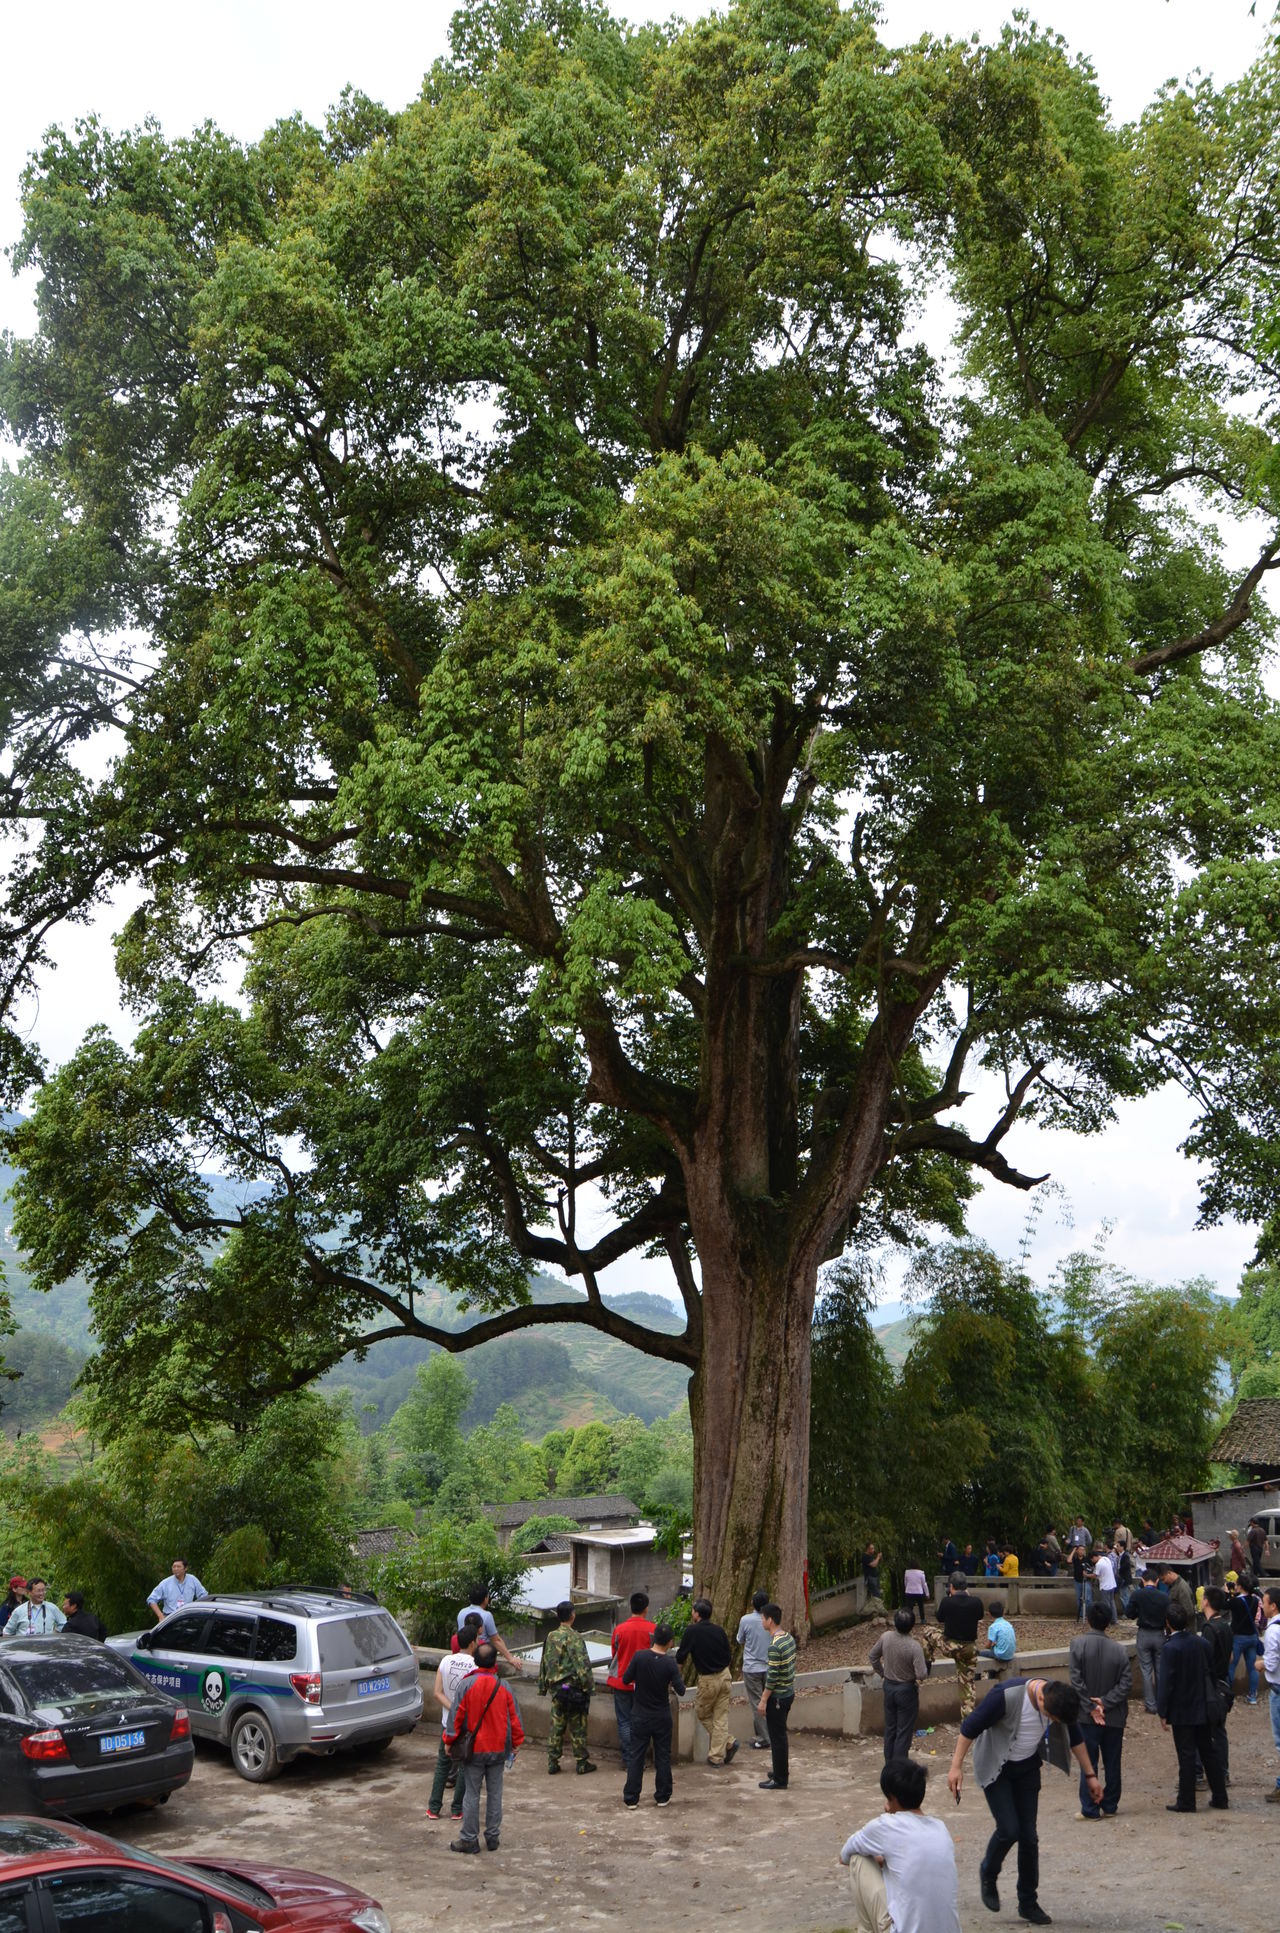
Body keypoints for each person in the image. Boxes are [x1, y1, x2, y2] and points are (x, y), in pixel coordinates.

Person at [947, 1676, 1099, 1927]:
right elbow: (969, 1728)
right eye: (1051, 1718)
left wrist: (1091, 1776)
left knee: (1029, 1836)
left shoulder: (1058, 1697)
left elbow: (1076, 1738)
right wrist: (955, 1767)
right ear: (1040, 1699)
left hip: (1027, 1768)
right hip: (998, 1768)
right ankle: (989, 1871)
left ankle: (1028, 1902)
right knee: (1009, 1830)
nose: (1052, 1723)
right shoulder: (1005, 1696)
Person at [838, 1758, 961, 1933]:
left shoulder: (885, 1825)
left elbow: (844, 1856)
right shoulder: (941, 1828)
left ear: (892, 1798)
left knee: (859, 1859)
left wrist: (879, 1856)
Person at [444, 1640, 524, 1853]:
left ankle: (469, 1839)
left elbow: (456, 1718)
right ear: (494, 1662)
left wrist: (449, 1741)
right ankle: (492, 1837)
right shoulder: (504, 1687)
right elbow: (515, 1719)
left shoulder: (467, 1685)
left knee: (471, 1794)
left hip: (474, 1749)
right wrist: (516, 1744)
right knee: (495, 1793)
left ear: (476, 1661)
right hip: (499, 1749)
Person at [1158, 1602, 1227, 1812]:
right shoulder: (1202, 1643)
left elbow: (1166, 1683)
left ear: (1168, 1623)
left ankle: (1187, 1800)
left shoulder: (1170, 1648)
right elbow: (1212, 1673)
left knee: (1186, 1754)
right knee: (1208, 1751)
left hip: (1182, 1709)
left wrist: (1163, 1710)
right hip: (1204, 1703)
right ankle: (1220, 1796)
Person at [1069, 1602, 1130, 1819]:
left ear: (1089, 1620)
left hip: (1086, 1716)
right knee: (1113, 1761)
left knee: (1089, 1761)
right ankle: (1110, 1804)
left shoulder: (1077, 1644)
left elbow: (1076, 1681)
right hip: (1114, 1715)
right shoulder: (1120, 1650)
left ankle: (1090, 1808)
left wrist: (1093, 1706)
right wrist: (1105, 1702)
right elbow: (1126, 1683)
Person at [621, 1622, 688, 1807]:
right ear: (670, 1642)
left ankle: (631, 1797)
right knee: (663, 1756)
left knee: (636, 1756)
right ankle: (662, 1795)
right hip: (661, 1716)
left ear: (654, 1638)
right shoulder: (670, 1663)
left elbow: (626, 1679)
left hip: (639, 1714)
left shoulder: (639, 1657)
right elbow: (681, 1690)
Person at [428, 1614, 482, 1822]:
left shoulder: (445, 1661)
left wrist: (452, 1709)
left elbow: (437, 1692)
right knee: (464, 1766)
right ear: (471, 1643)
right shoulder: (476, 1666)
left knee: (442, 1764)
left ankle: (433, 1807)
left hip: (446, 1723)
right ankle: (457, 1809)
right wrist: (462, 1711)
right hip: (468, 1725)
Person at [676, 1597, 738, 1768]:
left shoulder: (692, 1631)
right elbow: (728, 1654)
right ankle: (717, 1756)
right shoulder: (719, 1630)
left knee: (702, 1713)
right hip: (725, 1675)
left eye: (693, 1610)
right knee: (721, 1717)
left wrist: (675, 1677)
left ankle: (729, 1742)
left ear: (697, 1614)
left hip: (708, 1679)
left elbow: (681, 1657)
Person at [538, 1601, 597, 1775]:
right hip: (574, 1689)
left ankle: (552, 1761)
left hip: (557, 1689)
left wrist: (543, 1686)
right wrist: (589, 1687)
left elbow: (545, 1662)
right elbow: (582, 1665)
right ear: (573, 1615)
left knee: (556, 1725)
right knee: (577, 1726)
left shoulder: (551, 1636)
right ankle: (581, 1762)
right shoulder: (576, 1637)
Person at [869, 1610, 928, 1762]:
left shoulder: (886, 1637)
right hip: (906, 1690)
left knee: (890, 1728)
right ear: (912, 1626)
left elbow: (873, 1656)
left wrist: (882, 1673)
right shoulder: (914, 1646)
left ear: (895, 1623)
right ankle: (899, 1766)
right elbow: (921, 1674)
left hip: (889, 1687)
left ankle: (889, 1763)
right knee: (904, 1731)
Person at [608, 1590, 655, 1763]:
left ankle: (629, 1760)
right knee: (643, 1721)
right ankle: (641, 1758)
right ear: (646, 1609)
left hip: (621, 1681)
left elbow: (615, 1654)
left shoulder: (619, 1630)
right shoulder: (652, 1629)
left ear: (631, 1607)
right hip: (645, 1684)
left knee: (625, 1721)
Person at [756, 1603, 796, 1791]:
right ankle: (780, 1771)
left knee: (777, 1738)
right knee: (780, 1736)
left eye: (763, 1618)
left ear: (770, 1620)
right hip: (788, 1693)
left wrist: (763, 1700)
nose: (762, 1621)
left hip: (778, 1698)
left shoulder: (774, 1645)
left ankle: (780, 1779)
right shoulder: (788, 1638)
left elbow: (771, 1677)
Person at [934, 1572, 982, 1719]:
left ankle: (926, 1659)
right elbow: (979, 1616)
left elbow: (939, 1618)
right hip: (969, 1649)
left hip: (951, 1647)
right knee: (967, 1685)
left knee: (928, 1632)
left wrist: (950, 1599)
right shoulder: (976, 1602)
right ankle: (968, 1722)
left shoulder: (947, 1602)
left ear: (951, 1587)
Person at [1200, 1585, 1233, 1786]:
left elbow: (1204, 1660)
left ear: (1206, 1601)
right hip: (1224, 1683)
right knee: (1219, 1731)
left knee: (1205, 1731)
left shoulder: (1209, 1629)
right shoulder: (1226, 1626)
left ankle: (1212, 1774)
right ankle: (1223, 1772)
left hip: (1211, 1685)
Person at [456, 1585, 522, 1671]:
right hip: (480, 1659)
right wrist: (510, 1658)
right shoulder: (486, 1615)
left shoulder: (462, 1612)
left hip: (462, 1658)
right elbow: (496, 1640)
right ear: (485, 1599)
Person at [736, 1589, 772, 1747]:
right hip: (770, 1666)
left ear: (753, 1604)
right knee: (769, 1701)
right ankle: (765, 1734)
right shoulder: (773, 1619)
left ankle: (765, 1739)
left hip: (752, 1668)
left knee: (758, 1702)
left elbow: (739, 1639)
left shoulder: (746, 1620)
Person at [1132, 1572, 1171, 1713]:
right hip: (1159, 1633)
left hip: (1144, 1633)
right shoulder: (1164, 1596)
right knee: (1161, 1669)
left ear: (1143, 1580)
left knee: (1146, 1670)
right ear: (1157, 1581)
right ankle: (1163, 1703)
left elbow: (1129, 1613)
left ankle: (1150, 1704)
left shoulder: (1137, 1595)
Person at [1227, 1572, 1261, 1705]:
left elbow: (1225, 1605)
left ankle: (1227, 1693)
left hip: (1238, 1638)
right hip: (1252, 1636)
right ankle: (1252, 1695)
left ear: (1239, 1586)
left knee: (1231, 1666)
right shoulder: (1255, 1600)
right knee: (1252, 1667)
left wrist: (1227, 1592)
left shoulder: (1235, 1601)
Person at [1261, 1583, 1280, 1803]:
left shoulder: (1273, 1630)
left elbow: (1272, 1663)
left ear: (1273, 1606)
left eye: (1264, 1603)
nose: (1262, 1606)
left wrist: (1261, 1664)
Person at [978, 1601, 1016, 1666]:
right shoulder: (1008, 1624)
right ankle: (992, 1674)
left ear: (989, 1614)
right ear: (1003, 1612)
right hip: (1010, 1654)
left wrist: (983, 1648)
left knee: (980, 1654)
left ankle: (977, 1676)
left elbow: (988, 1645)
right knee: (993, 1649)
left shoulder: (993, 1627)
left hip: (1001, 1655)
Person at [1092, 1546, 1116, 1624]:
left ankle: (1107, 1619)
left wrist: (1086, 1575)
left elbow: (1095, 1575)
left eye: (1092, 1559)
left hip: (1105, 1586)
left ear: (1094, 1557)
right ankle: (1114, 1619)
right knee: (1112, 1602)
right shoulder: (1106, 1559)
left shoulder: (1099, 1564)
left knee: (1106, 1604)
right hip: (1112, 1584)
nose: (1093, 1561)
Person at [903, 1562, 930, 1627]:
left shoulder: (907, 1572)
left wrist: (906, 1588)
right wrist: (927, 1593)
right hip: (918, 1591)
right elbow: (924, 1584)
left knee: (909, 1607)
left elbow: (905, 1582)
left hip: (909, 1591)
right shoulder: (921, 1573)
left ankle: (908, 1620)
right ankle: (922, 1619)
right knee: (921, 1606)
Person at [1070, 1545, 1089, 1624]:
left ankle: (1087, 1614)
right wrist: (1073, 1550)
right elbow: (1068, 1560)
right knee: (1078, 1598)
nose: (1082, 1551)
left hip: (1086, 1581)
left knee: (1087, 1598)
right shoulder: (1075, 1559)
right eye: (1080, 1550)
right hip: (1077, 1581)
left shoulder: (1087, 1559)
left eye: (1083, 1550)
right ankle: (1080, 1614)